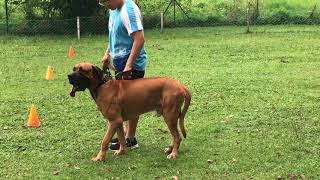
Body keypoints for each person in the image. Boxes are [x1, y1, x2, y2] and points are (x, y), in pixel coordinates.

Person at [99, 0, 147, 150]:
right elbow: (114, 35)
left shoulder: (128, 11)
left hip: (132, 66)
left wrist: (129, 65)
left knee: (132, 102)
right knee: (122, 102)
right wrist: (107, 54)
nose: (105, 6)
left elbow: (139, 38)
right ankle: (124, 137)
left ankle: (130, 138)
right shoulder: (113, 9)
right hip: (121, 64)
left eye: (105, 2)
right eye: (101, 4)